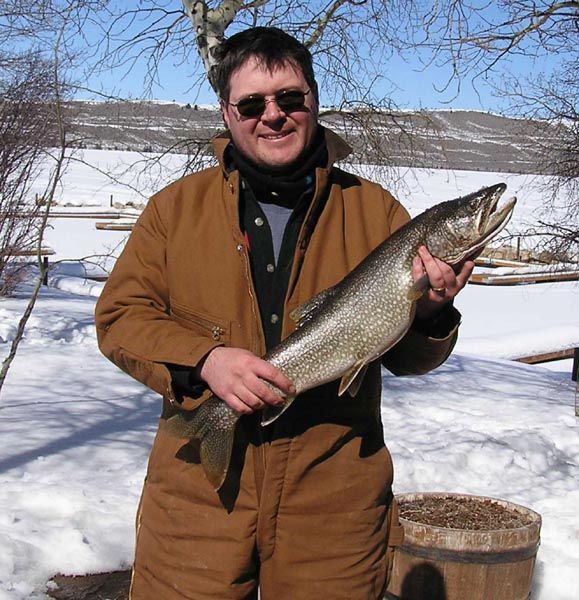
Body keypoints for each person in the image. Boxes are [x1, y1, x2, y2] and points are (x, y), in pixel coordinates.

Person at [95, 26, 473, 600]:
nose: (272, 115)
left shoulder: (375, 211)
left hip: (334, 506)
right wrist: (206, 361)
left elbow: (410, 361)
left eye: (290, 98)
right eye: (252, 104)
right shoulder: (173, 211)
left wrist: (430, 314)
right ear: (227, 114)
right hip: (197, 503)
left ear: (315, 101)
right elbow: (120, 316)